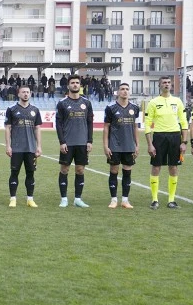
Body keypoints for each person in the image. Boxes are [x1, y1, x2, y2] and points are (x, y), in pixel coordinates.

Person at [145, 76, 189, 210]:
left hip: (175, 137)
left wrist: (184, 142)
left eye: (169, 82)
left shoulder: (177, 101)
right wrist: (150, 144)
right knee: (156, 167)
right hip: (159, 137)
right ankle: (154, 199)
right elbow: (147, 124)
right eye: (164, 82)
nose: (167, 84)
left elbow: (184, 122)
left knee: (173, 167)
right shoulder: (153, 102)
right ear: (159, 85)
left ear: (171, 85)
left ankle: (171, 200)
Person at [56, 74, 93, 208]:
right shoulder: (62, 103)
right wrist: (62, 142)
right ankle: (64, 198)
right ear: (68, 86)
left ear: (80, 85)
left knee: (80, 170)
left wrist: (89, 141)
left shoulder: (87, 103)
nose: (75, 85)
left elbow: (90, 123)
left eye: (77, 82)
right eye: (72, 83)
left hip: (82, 143)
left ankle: (78, 199)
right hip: (68, 143)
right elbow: (58, 124)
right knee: (64, 169)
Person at [102, 83, 140, 209]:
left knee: (127, 172)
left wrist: (137, 145)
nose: (125, 91)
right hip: (114, 146)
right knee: (114, 171)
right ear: (118, 92)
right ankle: (113, 200)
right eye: (122, 89)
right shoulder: (110, 108)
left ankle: (125, 200)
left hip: (129, 146)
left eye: (127, 89)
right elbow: (106, 128)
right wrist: (106, 146)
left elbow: (135, 127)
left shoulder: (135, 108)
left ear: (129, 92)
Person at [4, 85, 42, 208]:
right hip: (16, 148)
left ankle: (30, 199)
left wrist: (39, 146)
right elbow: (8, 128)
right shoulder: (12, 109)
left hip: (31, 148)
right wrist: (8, 146)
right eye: (23, 92)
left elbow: (37, 128)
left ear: (30, 94)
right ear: (18, 94)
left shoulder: (35, 110)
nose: (26, 94)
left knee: (30, 173)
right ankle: (13, 199)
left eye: (27, 92)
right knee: (14, 172)